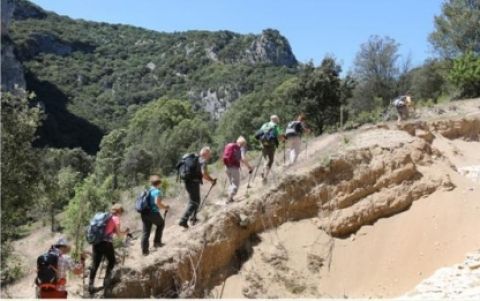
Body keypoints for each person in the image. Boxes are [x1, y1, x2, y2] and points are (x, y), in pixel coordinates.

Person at [88, 203, 128, 294]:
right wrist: (125, 232)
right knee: (112, 261)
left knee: (95, 264)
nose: (121, 214)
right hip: (106, 243)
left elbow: (109, 230)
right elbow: (119, 235)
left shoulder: (105, 217)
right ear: (119, 211)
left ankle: (90, 286)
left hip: (96, 242)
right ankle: (106, 281)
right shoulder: (115, 218)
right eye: (121, 212)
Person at [178, 146, 216, 229]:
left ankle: (193, 218)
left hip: (188, 182)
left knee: (195, 200)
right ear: (205, 153)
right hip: (193, 182)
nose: (210, 156)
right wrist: (211, 180)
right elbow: (204, 174)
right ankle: (183, 220)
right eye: (209, 154)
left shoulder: (195, 158)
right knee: (194, 202)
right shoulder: (202, 160)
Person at [141, 175, 170, 256]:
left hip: (144, 213)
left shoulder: (148, 190)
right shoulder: (157, 191)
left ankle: (145, 251)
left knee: (146, 231)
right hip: (153, 213)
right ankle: (157, 243)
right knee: (161, 224)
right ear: (159, 183)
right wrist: (165, 207)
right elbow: (157, 203)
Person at [223, 136, 253, 203]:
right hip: (234, 168)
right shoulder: (239, 148)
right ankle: (229, 197)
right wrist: (249, 167)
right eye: (244, 144)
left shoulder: (230, 146)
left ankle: (230, 197)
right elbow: (243, 158)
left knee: (231, 183)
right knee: (235, 184)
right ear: (243, 143)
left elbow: (238, 159)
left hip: (226, 167)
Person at [257, 115, 284, 183]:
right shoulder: (275, 126)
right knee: (271, 160)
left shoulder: (264, 125)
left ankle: (263, 171)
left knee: (265, 159)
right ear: (276, 120)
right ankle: (265, 176)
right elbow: (279, 135)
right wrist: (283, 139)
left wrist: (260, 143)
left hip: (263, 144)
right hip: (271, 145)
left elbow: (259, 134)